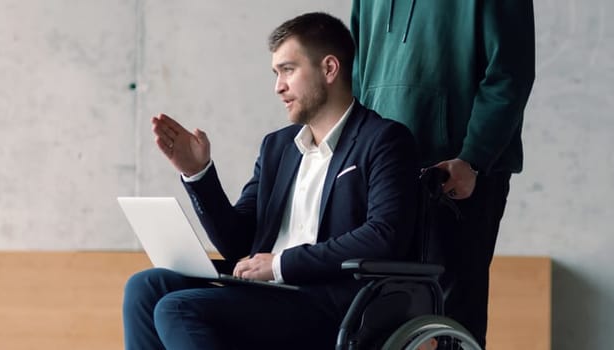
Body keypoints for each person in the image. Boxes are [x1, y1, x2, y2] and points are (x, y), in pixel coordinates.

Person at [122, 12, 420, 349]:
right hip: (268, 296)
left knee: (178, 309)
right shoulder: (278, 147)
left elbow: (385, 236)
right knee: (145, 287)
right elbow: (238, 244)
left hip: (332, 304)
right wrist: (198, 173)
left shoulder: (384, 140)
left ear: (329, 69)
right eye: (276, 73)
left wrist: (280, 264)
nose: (278, 86)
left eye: (288, 70)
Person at [350, 0, 536, 346]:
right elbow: (358, 73)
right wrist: (355, 150)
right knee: (376, 315)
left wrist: (474, 159)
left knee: (450, 316)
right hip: (382, 168)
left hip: (455, 173)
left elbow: (510, 72)